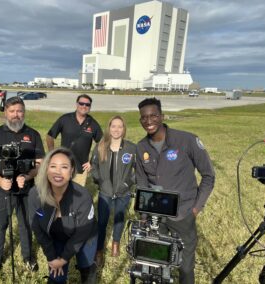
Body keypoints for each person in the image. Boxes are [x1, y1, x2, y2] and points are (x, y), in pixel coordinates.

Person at [136, 97, 215, 284]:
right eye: (144, 118)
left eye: (153, 116)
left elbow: (208, 176)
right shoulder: (141, 148)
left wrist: (195, 209)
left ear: (162, 116)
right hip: (156, 218)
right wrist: (144, 215)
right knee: (156, 265)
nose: (149, 121)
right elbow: (141, 183)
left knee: (185, 267)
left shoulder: (187, 140)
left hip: (183, 215)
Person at [0, 97, 45, 271]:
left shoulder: (33, 135)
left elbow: (40, 163)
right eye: (12, 111)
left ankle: (27, 258)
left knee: (26, 224)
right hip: (2, 188)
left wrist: (27, 176)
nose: (16, 115)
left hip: (26, 188)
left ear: (24, 113)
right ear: (5, 113)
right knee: (0, 225)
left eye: (19, 111)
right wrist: (0, 180)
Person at [28, 147, 98, 283]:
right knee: (56, 278)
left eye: (64, 167)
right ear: (46, 169)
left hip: (84, 235)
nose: (58, 172)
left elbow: (82, 233)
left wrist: (64, 258)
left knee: (87, 267)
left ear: (72, 170)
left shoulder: (83, 196)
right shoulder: (35, 194)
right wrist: (52, 257)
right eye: (53, 166)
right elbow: (37, 228)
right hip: (57, 237)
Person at [90, 115, 136, 266]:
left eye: (120, 126)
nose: (116, 129)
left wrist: (128, 183)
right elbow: (94, 166)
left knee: (119, 219)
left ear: (124, 129)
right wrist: (100, 181)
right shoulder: (100, 146)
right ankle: (99, 250)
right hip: (105, 192)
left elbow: (138, 170)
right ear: (109, 128)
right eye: (113, 126)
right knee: (102, 222)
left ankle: (115, 242)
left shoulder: (131, 148)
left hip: (123, 192)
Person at [46, 94, 103, 186]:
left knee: (77, 196)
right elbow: (50, 136)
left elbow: (102, 143)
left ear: (90, 107)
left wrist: (92, 161)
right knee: (60, 193)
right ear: (77, 104)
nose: (84, 106)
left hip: (81, 168)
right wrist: (52, 153)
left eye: (87, 105)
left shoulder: (93, 124)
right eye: (81, 103)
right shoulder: (65, 119)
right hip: (63, 165)